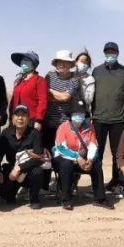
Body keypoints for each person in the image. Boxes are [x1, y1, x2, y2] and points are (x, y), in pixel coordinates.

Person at [91, 42, 124, 192]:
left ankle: (117, 183)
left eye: (113, 52)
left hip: (118, 119)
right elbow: (90, 92)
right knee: (96, 153)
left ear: (117, 53)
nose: (110, 55)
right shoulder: (97, 71)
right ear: (104, 53)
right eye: (107, 52)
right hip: (99, 118)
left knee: (118, 153)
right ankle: (97, 185)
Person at [52, 102, 112, 210]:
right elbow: (61, 148)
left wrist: (90, 159)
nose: (79, 116)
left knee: (97, 164)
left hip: (82, 158)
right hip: (63, 158)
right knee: (66, 164)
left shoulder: (90, 127)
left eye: (81, 113)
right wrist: (77, 158)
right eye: (76, 113)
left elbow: (93, 145)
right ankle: (66, 199)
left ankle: (100, 198)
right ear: (71, 115)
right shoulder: (63, 127)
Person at [0, 105, 46, 210]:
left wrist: (20, 167)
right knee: (6, 197)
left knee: (38, 172)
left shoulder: (35, 133)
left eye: (24, 115)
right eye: (17, 115)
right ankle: (10, 194)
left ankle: (34, 199)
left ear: (28, 119)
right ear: (12, 118)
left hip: (28, 169)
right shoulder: (6, 133)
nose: (20, 118)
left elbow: (39, 158)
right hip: (11, 171)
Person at [44, 50, 79, 191]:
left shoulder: (75, 79)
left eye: (65, 62)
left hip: (65, 125)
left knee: (64, 156)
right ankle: (44, 186)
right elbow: (44, 95)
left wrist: (50, 92)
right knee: (47, 155)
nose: (61, 64)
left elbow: (66, 97)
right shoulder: (49, 76)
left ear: (70, 65)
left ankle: (65, 185)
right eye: (59, 62)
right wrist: (58, 95)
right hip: (48, 123)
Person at [10, 51, 47, 131]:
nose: (23, 62)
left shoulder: (39, 80)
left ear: (33, 64)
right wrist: (11, 117)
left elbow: (42, 101)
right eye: (22, 60)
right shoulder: (18, 81)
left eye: (27, 60)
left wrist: (38, 120)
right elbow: (13, 101)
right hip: (17, 119)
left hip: (32, 121)